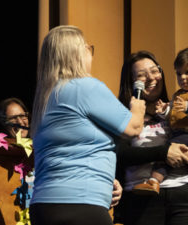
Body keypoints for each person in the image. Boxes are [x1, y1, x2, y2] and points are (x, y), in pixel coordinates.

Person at [29, 25, 146, 225]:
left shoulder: (45, 97)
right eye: (87, 48)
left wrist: (104, 180)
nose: (90, 54)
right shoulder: (85, 87)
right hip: (80, 206)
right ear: (76, 53)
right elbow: (133, 128)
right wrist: (137, 108)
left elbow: (70, 151)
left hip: (42, 206)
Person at [114, 50, 188, 225]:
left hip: (184, 194)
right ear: (131, 82)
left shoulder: (177, 106)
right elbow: (120, 153)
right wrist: (164, 153)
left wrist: (183, 152)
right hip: (142, 198)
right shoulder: (122, 115)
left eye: (155, 71)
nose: (151, 78)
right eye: (141, 75)